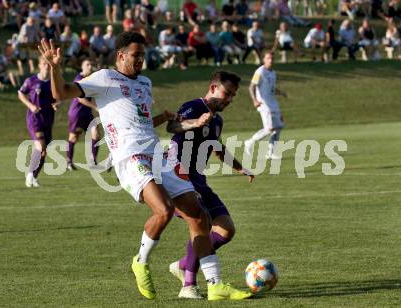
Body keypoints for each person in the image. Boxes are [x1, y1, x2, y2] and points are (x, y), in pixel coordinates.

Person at [38, 32, 252, 301]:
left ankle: (215, 285)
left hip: (157, 155)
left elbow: (141, 124)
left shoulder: (144, 84)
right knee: (163, 210)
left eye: (143, 55)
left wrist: (164, 117)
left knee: (198, 216)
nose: (141, 60)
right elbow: (62, 92)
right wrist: (55, 67)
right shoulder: (105, 78)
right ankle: (140, 261)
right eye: (136, 55)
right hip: (130, 158)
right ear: (121, 55)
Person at [167, 71, 255, 299]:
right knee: (201, 222)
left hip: (198, 178)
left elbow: (217, 148)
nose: (229, 99)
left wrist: (239, 167)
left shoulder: (217, 120)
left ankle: (184, 264)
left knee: (226, 229)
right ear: (213, 87)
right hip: (179, 173)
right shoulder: (194, 106)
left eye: (233, 95)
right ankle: (189, 286)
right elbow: (172, 127)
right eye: (227, 93)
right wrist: (194, 123)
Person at [18, 57, 60, 187]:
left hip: (48, 120)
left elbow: (59, 97)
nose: (47, 66)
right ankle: (30, 175)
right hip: (34, 120)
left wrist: (57, 104)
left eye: (48, 64)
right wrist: (30, 106)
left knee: (43, 152)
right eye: (44, 64)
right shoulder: (31, 81)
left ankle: (33, 177)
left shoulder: (54, 82)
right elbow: (20, 93)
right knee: (40, 146)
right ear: (39, 65)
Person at [244, 51, 287, 160]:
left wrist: (281, 92)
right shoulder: (260, 71)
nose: (270, 60)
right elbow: (251, 87)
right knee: (269, 129)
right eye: (268, 58)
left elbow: (271, 88)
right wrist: (254, 100)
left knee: (278, 128)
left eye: (272, 58)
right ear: (264, 59)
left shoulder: (273, 73)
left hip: (274, 104)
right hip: (264, 104)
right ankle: (250, 142)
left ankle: (270, 153)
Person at [66, 59, 99, 170]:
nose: (90, 66)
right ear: (82, 67)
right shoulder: (79, 80)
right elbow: (81, 100)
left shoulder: (91, 79)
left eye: (91, 64)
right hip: (77, 113)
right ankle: (69, 161)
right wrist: (95, 107)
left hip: (87, 113)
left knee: (96, 133)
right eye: (87, 64)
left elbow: (93, 96)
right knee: (74, 137)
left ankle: (93, 160)